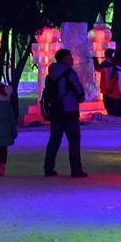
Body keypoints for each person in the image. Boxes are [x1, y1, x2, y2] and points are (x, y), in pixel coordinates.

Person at [44, 49, 88, 178]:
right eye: (70, 57)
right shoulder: (69, 73)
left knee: (54, 140)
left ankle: (48, 168)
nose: (72, 59)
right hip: (69, 110)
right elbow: (78, 90)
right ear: (64, 58)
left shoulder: (50, 74)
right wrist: (80, 97)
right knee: (74, 140)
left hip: (56, 110)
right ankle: (76, 169)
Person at [94, 49, 121, 116]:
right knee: (114, 107)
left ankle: (114, 119)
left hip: (109, 90)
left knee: (110, 107)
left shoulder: (108, 64)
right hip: (114, 90)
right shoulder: (114, 64)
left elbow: (98, 68)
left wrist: (95, 61)